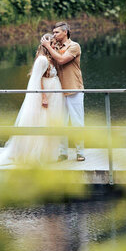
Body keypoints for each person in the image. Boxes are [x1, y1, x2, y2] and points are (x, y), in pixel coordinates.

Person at [0, 34, 65, 165]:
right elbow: (36, 79)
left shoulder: (50, 58)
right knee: (42, 122)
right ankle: (35, 153)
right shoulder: (42, 60)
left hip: (54, 95)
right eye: (53, 43)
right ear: (46, 45)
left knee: (51, 123)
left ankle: (49, 153)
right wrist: (43, 97)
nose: (55, 45)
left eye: (55, 43)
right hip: (47, 95)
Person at [41, 21, 85, 161]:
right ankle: (63, 153)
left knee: (77, 122)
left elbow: (61, 60)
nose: (54, 35)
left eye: (57, 32)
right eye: (53, 32)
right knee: (61, 122)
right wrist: (48, 47)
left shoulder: (74, 46)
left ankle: (80, 153)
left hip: (74, 89)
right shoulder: (55, 47)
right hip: (58, 92)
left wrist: (48, 46)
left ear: (65, 32)